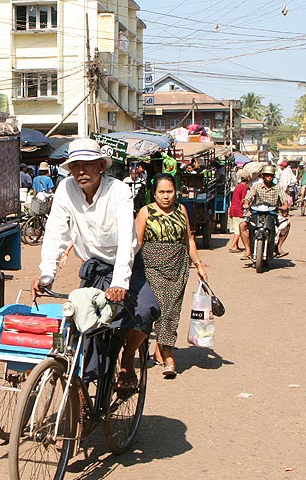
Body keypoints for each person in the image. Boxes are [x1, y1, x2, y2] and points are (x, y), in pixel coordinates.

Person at [32, 138, 160, 388]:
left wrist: (120, 282)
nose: (81, 171)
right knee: (84, 326)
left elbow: (126, 240)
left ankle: (127, 358)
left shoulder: (119, 191)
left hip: (126, 264)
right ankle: (83, 391)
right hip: (94, 268)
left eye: (87, 164)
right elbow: (56, 232)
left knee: (145, 310)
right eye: (75, 166)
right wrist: (47, 274)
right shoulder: (65, 189)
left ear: (101, 166)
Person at [135, 174, 208, 378]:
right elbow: (137, 243)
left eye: (170, 192)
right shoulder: (146, 212)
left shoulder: (181, 210)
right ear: (154, 193)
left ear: (176, 192)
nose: (166, 196)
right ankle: (168, 356)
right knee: (162, 309)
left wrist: (199, 265)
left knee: (172, 311)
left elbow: (189, 240)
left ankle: (160, 349)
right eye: (161, 192)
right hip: (152, 268)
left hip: (178, 268)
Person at [239, 165, 290, 260]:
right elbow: (248, 197)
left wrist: (284, 206)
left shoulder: (278, 188)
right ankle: (248, 250)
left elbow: (284, 201)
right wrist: (246, 203)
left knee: (286, 224)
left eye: (271, 175)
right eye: (267, 175)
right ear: (263, 176)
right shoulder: (256, 187)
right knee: (242, 225)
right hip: (256, 213)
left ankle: (279, 247)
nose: (269, 177)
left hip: (273, 214)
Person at [226, 171, 251, 253]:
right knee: (239, 231)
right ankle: (232, 246)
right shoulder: (243, 188)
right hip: (238, 210)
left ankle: (236, 246)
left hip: (233, 209)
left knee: (236, 228)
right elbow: (244, 200)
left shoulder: (238, 186)